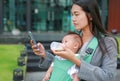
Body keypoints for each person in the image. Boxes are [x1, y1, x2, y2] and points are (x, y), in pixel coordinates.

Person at [30, 0, 118, 81]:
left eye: (77, 14)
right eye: (72, 14)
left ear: (90, 16)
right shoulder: (74, 39)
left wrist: (74, 59)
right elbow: (62, 64)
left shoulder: (107, 42)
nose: (73, 18)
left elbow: (108, 77)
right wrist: (44, 54)